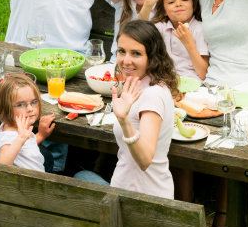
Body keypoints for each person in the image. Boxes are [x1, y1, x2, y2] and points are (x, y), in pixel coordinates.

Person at [75, 20, 177, 199]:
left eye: (136, 53)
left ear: (152, 57)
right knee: (81, 176)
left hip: (139, 200)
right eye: (122, 51)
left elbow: (145, 160)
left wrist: (124, 120)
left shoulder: (152, 95)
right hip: (128, 191)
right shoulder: (143, 85)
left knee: (77, 179)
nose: (125, 60)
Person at [147, 0, 209, 81]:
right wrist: (148, 4)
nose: (178, 4)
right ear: (164, 11)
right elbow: (137, 33)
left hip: (193, 84)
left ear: (194, 6)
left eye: (184, 0)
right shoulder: (161, 28)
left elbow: (203, 74)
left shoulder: (200, 29)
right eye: (171, 2)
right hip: (164, 81)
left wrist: (189, 43)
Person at [0, 73, 56, 172]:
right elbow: (0, 167)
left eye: (34, 102)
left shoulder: (15, 127)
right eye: (20, 104)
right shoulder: (9, 136)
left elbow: (24, 150)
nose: (30, 109)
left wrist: (41, 135)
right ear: (5, 107)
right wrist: (21, 138)